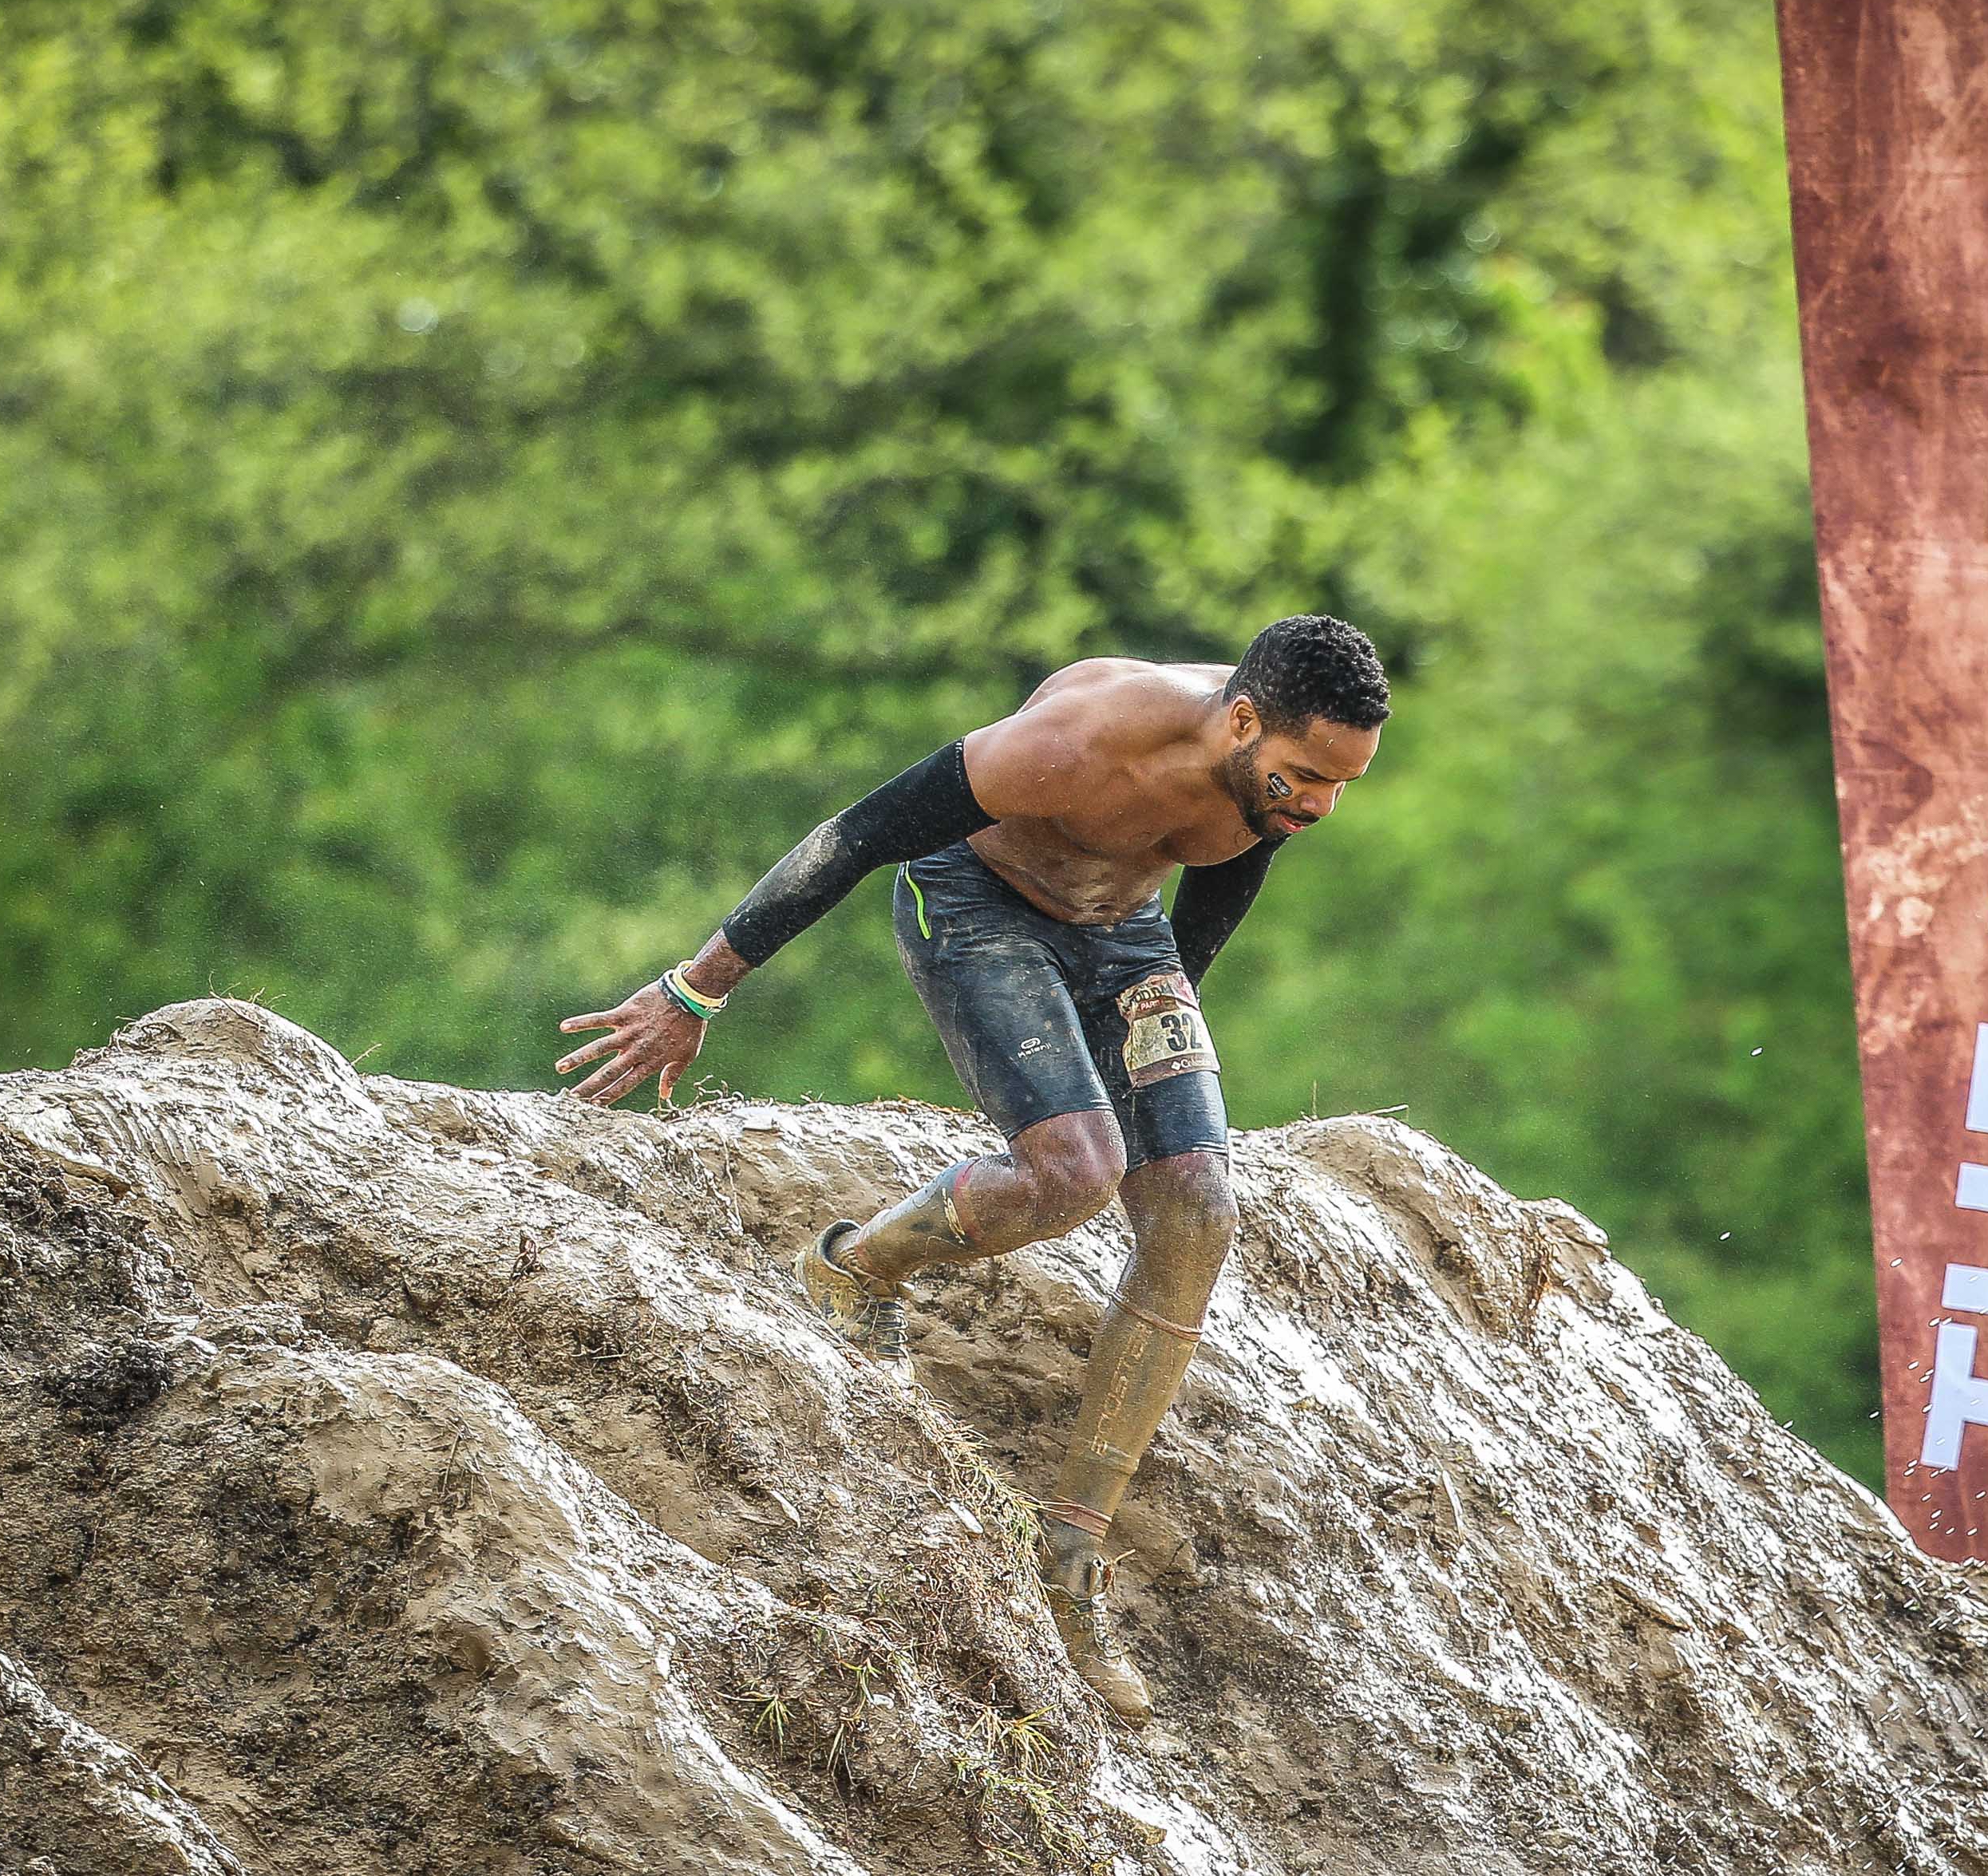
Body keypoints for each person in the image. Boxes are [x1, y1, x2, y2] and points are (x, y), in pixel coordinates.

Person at [553, 614, 1389, 1718]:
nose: (1321, 804)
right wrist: (697, 989)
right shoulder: (1079, 741)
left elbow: (1220, 885)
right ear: (1240, 721)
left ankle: (1070, 1563)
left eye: (1342, 785)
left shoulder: (1273, 782)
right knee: (1077, 1172)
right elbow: (858, 835)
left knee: (1198, 1214)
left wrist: (1157, 1015)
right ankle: (854, 1264)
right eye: (1306, 776)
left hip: (1125, 934)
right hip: (980, 908)